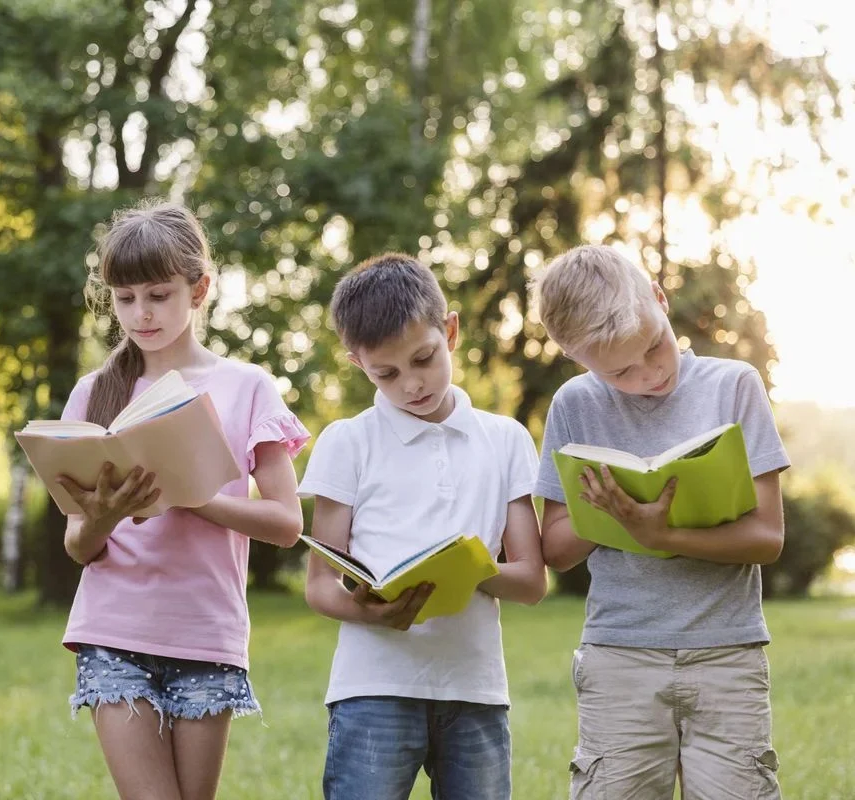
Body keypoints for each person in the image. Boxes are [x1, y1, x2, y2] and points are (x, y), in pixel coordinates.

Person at [56, 200, 309, 800]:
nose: (140, 314)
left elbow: (286, 524)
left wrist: (191, 499)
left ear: (199, 290)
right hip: (113, 631)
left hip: (206, 633)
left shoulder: (246, 387)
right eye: (125, 298)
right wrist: (106, 514)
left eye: (158, 295)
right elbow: (79, 545)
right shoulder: (94, 394)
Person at [531, 244, 789, 800]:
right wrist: (611, 505)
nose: (650, 373)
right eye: (620, 371)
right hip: (620, 655)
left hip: (727, 653)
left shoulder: (733, 385)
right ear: (581, 360)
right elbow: (555, 549)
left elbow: (768, 538)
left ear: (660, 300)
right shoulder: (575, 405)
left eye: (655, 346)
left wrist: (662, 535)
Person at [300, 252, 547, 800]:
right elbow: (320, 585)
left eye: (424, 359)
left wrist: (470, 568)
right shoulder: (348, 442)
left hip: (475, 688)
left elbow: (531, 580)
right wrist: (370, 610)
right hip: (373, 686)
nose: (412, 384)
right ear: (357, 363)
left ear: (450, 331)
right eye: (386, 373)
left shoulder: (505, 440)